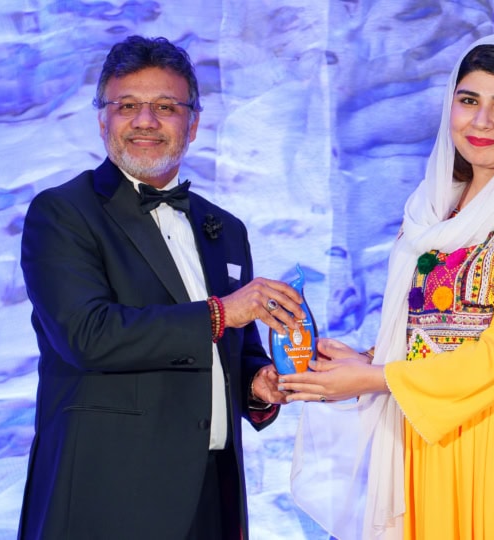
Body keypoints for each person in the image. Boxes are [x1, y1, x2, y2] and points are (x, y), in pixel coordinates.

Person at [282, 34, 494, 539]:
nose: (481, 121)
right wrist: (363, 363)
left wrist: (377, 379)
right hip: (437, 434)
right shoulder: (437, 209)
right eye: (468, 101)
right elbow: (437, 333)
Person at [18, 35, 299, 539]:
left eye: (165, 107)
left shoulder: (225, 227)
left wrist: (260, 385)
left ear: (193, 123)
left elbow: (239, 351)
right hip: (107, 497)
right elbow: (88, 334)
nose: (145, 121)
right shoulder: (62, 213)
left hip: (213, 495)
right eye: (128, 105)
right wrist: (220, 314)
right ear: (102, 117)